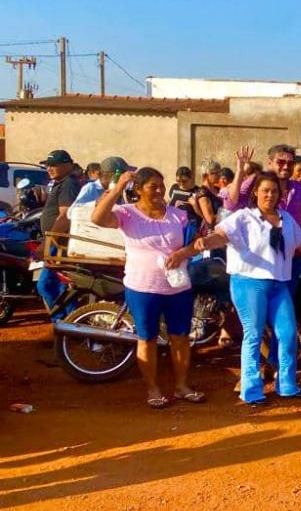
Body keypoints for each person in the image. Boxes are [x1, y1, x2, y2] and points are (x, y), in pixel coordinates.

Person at [91, 167, 204, 409]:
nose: (160, 190)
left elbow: (195, 243)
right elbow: (97, 218)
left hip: (177, 287)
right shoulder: (126, 214)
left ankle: (182, 386)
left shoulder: (177, 215)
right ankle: (153, 389)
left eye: (161, 185)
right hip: (143, 288)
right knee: (147, 338)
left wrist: (184, 251)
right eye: (153, 186)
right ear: (139, 190)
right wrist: (118, 187)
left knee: (181, 338)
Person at [194, 172, 301, 406]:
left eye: (274, 191)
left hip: (279, 284)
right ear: (256, 192)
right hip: (248, 282)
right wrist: (206, 241)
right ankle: (251, 389)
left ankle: (287, 385)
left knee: (287, 334)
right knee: (254, 334)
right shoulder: (243, 218)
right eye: (265, 190)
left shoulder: (287, 219)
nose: (270, 195)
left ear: (281, 194)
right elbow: (221, 236)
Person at [36, 150, 82, 319]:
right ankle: (68, 321)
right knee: (58, 285)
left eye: (54, 165)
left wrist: (47, 242)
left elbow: (65, 217)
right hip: (57, 242)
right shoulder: (61, 182)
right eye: (48, 165)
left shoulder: (68, 183)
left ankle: (65, 321)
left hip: (60, 243)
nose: (49, 168)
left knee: (48, 284)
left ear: (67, 165)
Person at [169, 166, 202, 242]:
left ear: (191, 178)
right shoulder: (174, 188)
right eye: (178, 181)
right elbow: (170, 204)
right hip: (175, 224)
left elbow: (201, 215)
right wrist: (174, 206)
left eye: (184, 181)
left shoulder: (197, 191)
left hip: (191, 226)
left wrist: (194, 205)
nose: (181, 184)